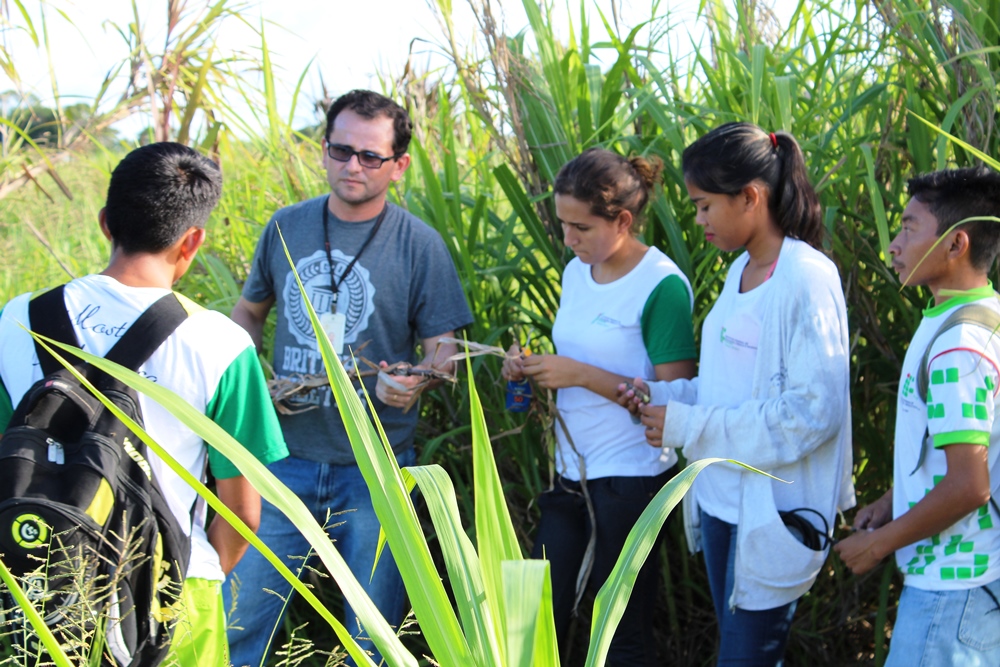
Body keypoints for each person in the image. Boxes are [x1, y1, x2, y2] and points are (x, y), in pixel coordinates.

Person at [0, 142, 288, 666]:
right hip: (173, 591)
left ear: (105, 223)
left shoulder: (14, 319)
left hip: (32, 583)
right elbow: (243, 512)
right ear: (193, 239)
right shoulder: (221, 345)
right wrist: (185, 580)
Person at [225, 89, 473, 666]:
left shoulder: (420, 245)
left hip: (376, 468)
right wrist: (246, 374)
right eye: (341, 151)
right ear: (324, 150)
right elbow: (249, 313)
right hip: (282, 458)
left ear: (399, 165)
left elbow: (445, 354)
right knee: (239, 619)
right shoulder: (286, 226)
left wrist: (414, 381)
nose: (352, 166)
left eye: (370, 156)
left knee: (374, 636)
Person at [623, 122, 855, 666]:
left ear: (750, 197)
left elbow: (811, 414)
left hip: (769, 516)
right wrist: (664, 395)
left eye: (704, 206)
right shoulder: (740, 274)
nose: (698, 220)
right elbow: (728, 387)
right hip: (722, 504)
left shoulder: (806, 278)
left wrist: (686, 426)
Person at [501, 147, 697, 666]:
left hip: (632, 480)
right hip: (572, 473)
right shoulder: (576, 272)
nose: (568, 239)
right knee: (536, 617)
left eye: (581, 227)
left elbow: (680, 398)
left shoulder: (661, 285)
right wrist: (528, 367)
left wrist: (581, 376)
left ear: (623, 221)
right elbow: (576, 355)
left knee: (620, 632)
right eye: (563, 224)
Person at [835, 167, 1000, 665]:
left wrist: (878, 545)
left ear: (956, 244)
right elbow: (965, 452)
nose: (893, 245)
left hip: (949, 595)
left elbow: (969, 485)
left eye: (909, 229)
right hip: (972, 587)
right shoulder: (978, 317)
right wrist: (893, 500)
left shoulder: (958, 346)